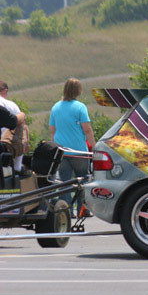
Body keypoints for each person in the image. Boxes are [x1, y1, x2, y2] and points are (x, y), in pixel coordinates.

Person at [49, 78, 96, 217]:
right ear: (78, 91)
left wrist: (55, 148)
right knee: (83, 181)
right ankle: (83, 210)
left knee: (64, 183)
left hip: (62, 152)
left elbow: (53, 131)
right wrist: (94, 147)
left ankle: (66, 211)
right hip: (78, 151)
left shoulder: (55, 107)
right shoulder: (80, 107)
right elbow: (87, 129)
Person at [0, 81, 28, 171]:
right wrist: (22, 115)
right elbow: (14, 122)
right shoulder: (11, 105)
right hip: (6, 151)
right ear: (5, 91)